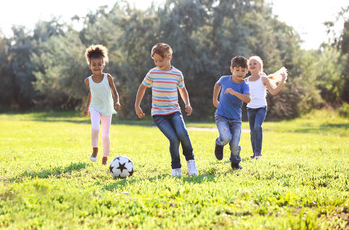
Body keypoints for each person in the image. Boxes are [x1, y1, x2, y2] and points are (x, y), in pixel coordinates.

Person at [134, 43, 198, 177]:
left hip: (174, 111)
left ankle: (191, 161)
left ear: (169, 57)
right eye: (155, 60)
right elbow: (142, 87)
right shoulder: (153, 73)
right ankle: (176, 168)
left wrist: (187, 104)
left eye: (160, 60)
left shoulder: (177, 74)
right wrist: (137, 105)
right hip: (159, 115)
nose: (157, 63)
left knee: (182, 133)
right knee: (174, 139)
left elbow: (182, 89)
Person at [83, 45, 121, 165]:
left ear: (103, 65)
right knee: (95, 128)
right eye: (94, 64)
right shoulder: (88, 80)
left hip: (107, 109)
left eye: (99, 64)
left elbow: (115, 92)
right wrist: (87, 107)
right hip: (94, 108)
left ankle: (105, 157)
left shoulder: (108, 77)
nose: (97, 67)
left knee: (105, 135)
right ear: (89, 66)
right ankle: (95, 149)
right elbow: (91, 93)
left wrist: (117, 101)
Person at [245, 56, 287, 159]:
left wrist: (282, 81)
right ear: (248, 68)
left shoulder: (263, 79)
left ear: (260, 66)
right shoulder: (246, 81)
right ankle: (254, 153)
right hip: (250, 108)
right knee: (252, 131)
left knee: (257, 127)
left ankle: (258, 153)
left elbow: (274, 92)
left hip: (261, 108)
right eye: (250, 64)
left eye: (255, 63)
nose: (252, 65)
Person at [213, 56, 251, 170]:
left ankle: (235, 163)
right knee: (225, 137)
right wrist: (215, 99)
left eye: (243, 70)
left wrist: (235, 93)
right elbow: (217, 85)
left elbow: (248, 99)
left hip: (236, 120)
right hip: (221, 116)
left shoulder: (244, 85)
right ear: (231, 69)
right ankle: (219, 144)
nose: (240, 73)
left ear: (247, 71)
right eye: (237, 70)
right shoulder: (224, 79)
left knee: (235, 145)